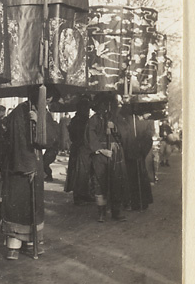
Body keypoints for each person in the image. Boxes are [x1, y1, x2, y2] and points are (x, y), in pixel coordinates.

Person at [0, 86, 46, 260]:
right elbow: (17, 141)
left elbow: (50, 138)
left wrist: (38, 122)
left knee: (33, 206)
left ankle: (31, 243)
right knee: (17, 206)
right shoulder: (19, 113)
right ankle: (13, 245)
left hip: (36, 166)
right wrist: (28, 165)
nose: (47, 103)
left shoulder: (40, 112)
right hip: (19, 167)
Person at [85, 93, 129, 223]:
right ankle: (101, 212)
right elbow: (89, 136)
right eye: (101, 105)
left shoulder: (116, 119)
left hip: (115, 155)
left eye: (107, 105)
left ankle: (116, 211)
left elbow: (125, 133)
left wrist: (114, 128)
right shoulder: (93, 120)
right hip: (100, 156)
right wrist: (102, 150)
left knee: (116, 182)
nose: (104, 108)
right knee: (100, 183)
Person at [120, 106, 153, 211]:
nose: (149, 115)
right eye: (147, 113)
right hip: (131, 154)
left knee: (139, 177)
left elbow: (148, 139)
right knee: (133, 178)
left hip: (137, 154)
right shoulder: (131, 121)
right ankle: (135, 202)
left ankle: (141, 202)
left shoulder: (145, 123)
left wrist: (142, 151)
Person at [64, 98, 95, 205]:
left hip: (83, 148)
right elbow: (77, 135)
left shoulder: (81, 119)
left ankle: (84, 194)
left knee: (85, 173)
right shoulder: (79, 120)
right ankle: (78, 197)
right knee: (79, 173)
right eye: (86, 108)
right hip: (80, 148)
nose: (87, 111)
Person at [43, 93, 61, 182]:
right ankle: (48, 176)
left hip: (52, 148)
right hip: (52, 149)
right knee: (44, 162)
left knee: (44, 163)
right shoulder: (53, 124)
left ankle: (48, 176)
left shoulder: (52, 125)